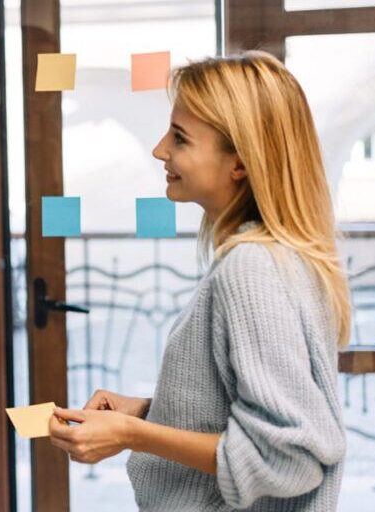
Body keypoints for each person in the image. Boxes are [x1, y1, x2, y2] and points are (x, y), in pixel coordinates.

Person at [48, 51, 349, 511]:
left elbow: (289, 455)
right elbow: (250, 416)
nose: (159, 150)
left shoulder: (252, 269)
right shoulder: (278, 257)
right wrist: (149, 410)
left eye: (180, 138)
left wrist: (134, 434)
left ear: (240, 164)